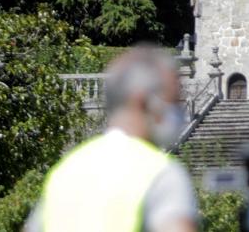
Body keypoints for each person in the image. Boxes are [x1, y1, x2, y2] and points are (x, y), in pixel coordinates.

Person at [26, 46, 197, 232]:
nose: (179, 112)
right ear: (142, 101)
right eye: (173, 102)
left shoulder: (66, 170)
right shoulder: (160, 173)